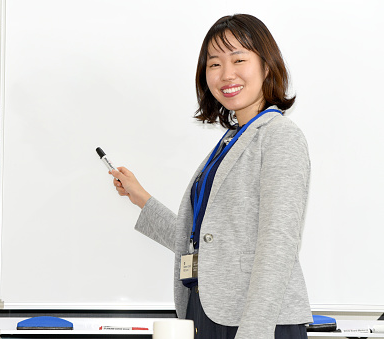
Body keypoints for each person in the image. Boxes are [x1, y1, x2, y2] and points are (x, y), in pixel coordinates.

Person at [109, 14, 312, 339]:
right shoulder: (231, 141)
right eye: (214, 64)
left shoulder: (278, 135)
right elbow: (204, 241)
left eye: (239, 59)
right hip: (208, 313)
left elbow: (279, 243)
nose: (226, 73)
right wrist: (141, 198)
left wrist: (254, 332)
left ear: (267, 65)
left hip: (255, 322)